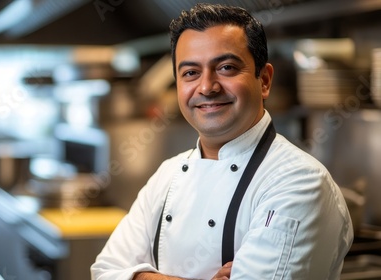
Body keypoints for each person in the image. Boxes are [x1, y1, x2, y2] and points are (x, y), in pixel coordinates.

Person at [91, 3, 353, 280]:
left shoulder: (298, 180)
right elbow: (105, 272)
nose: (207, 87)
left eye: (226, 68)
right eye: (191, 72)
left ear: (264, 80)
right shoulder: (166, 176)